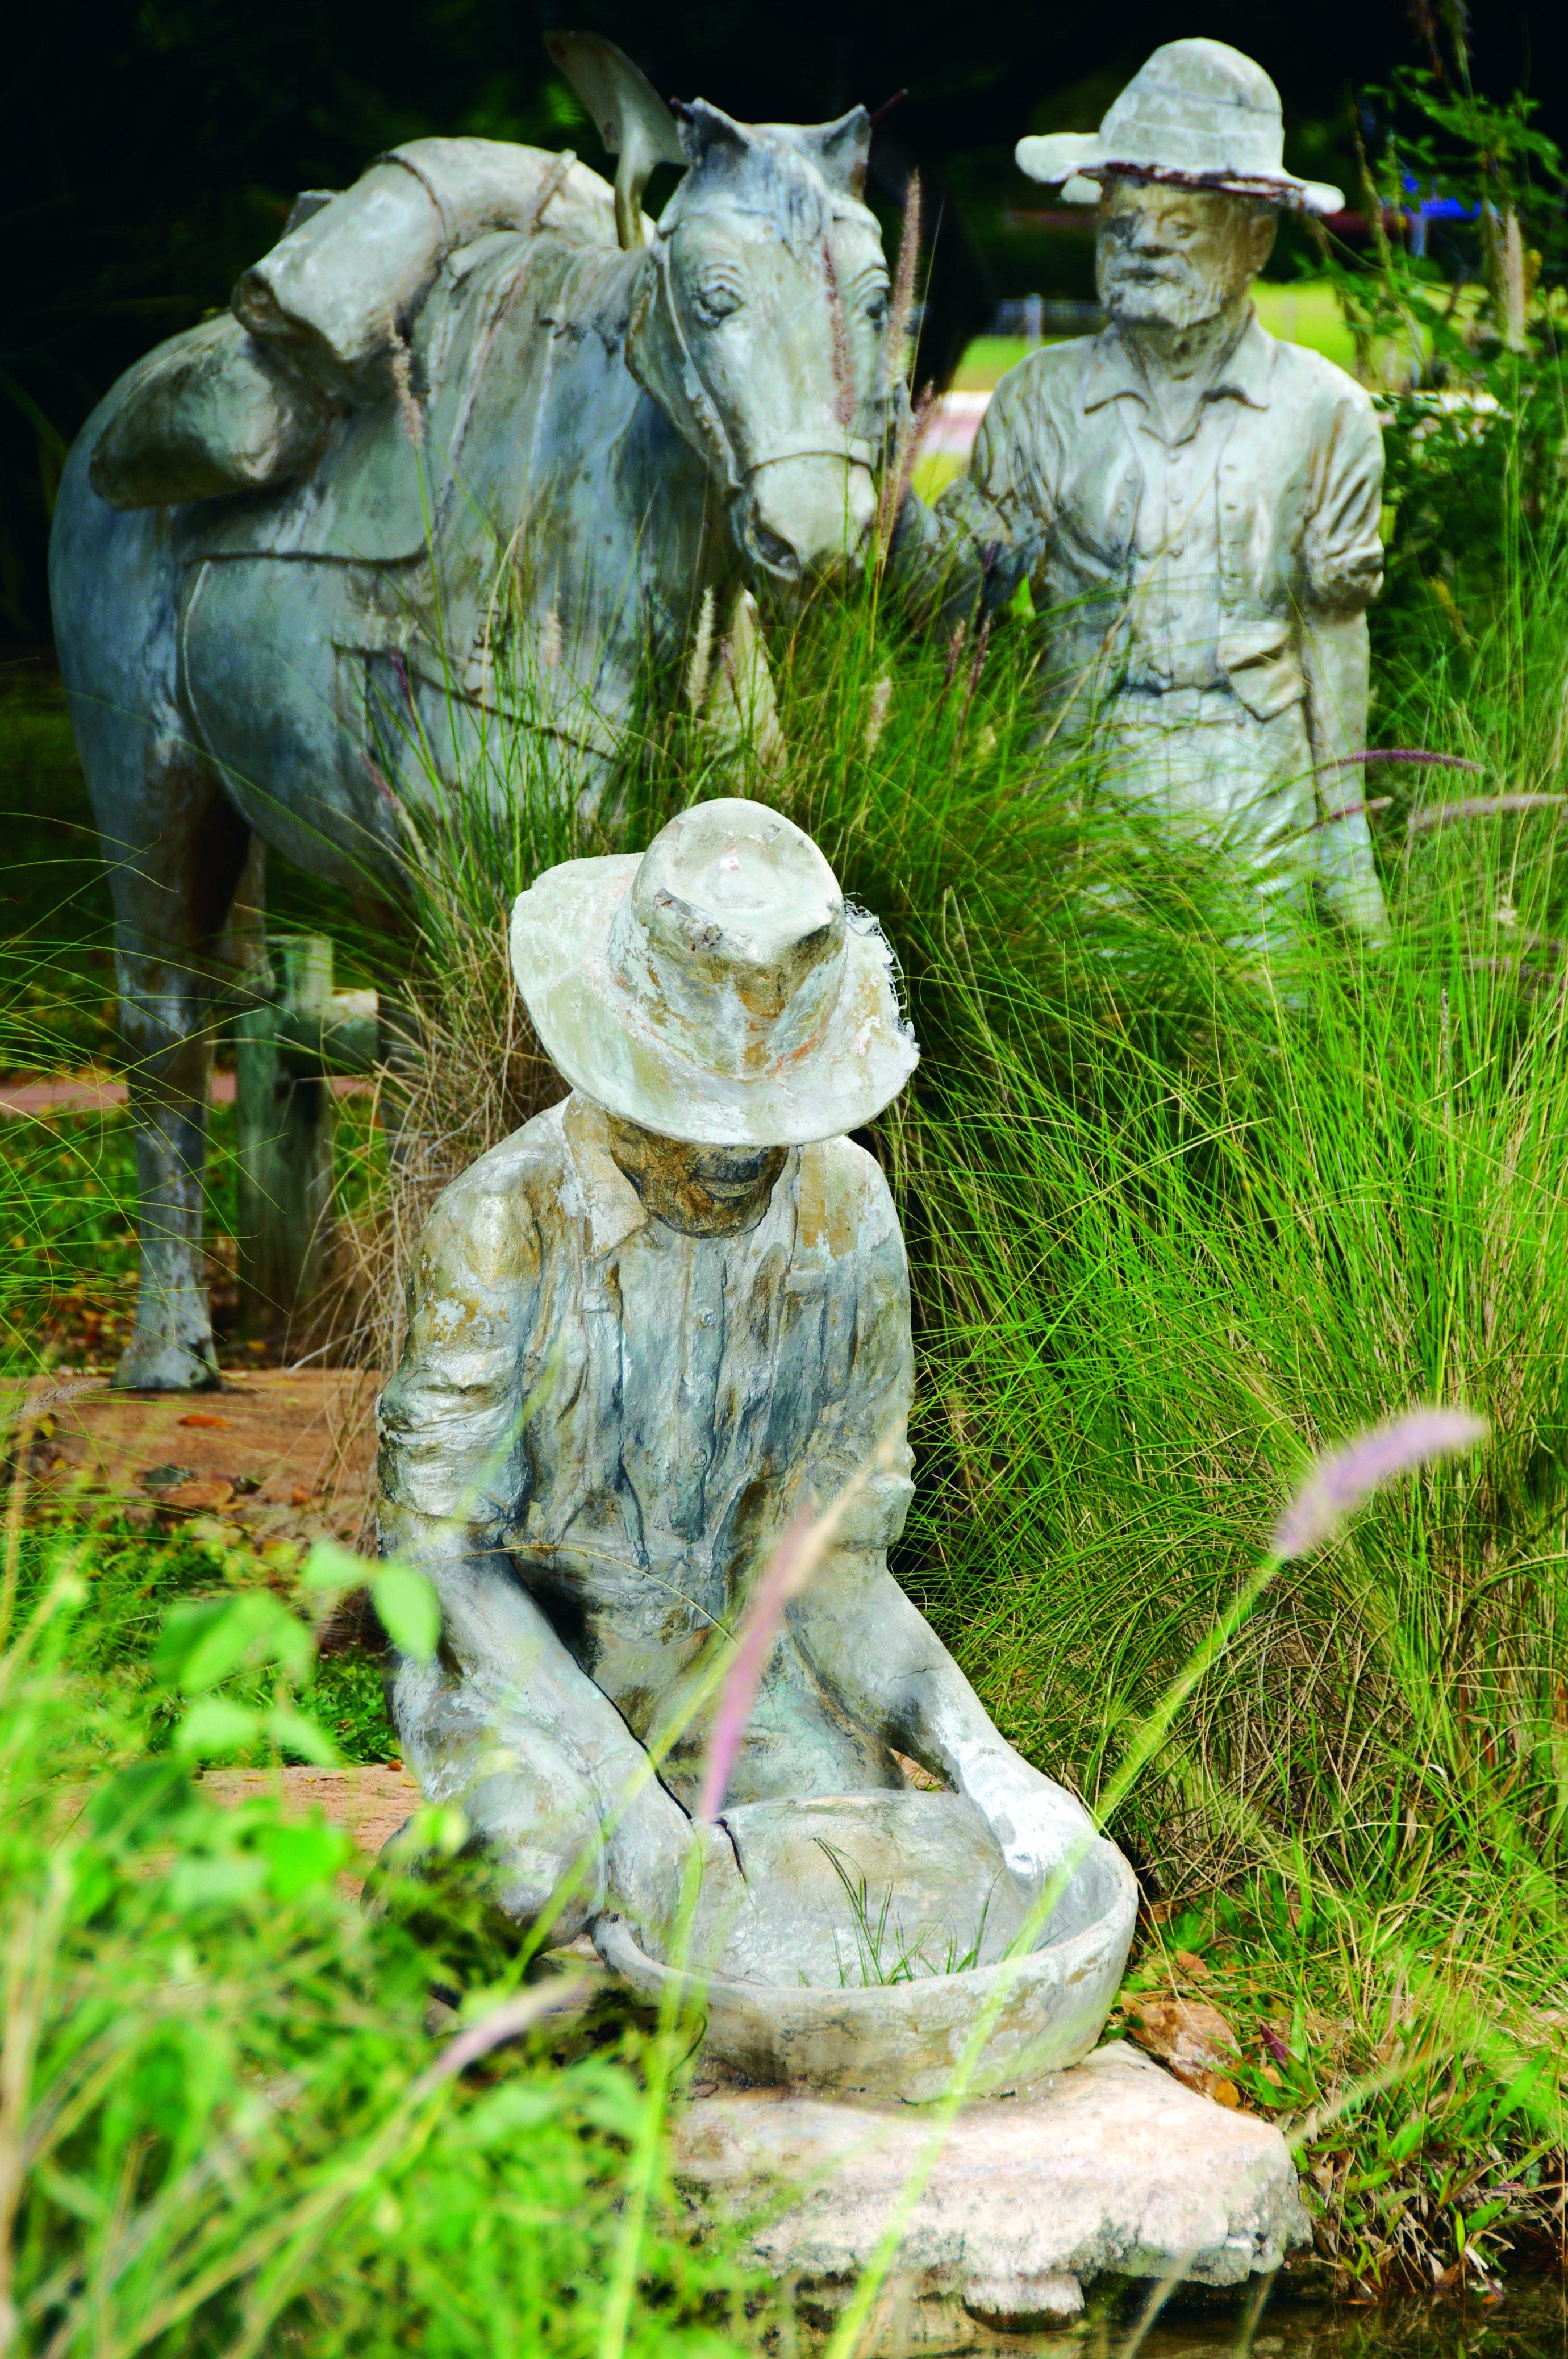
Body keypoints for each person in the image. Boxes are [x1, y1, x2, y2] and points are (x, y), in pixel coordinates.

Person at [376, 797, 1096, 1944]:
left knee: (866, 1896)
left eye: (766, 1119)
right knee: (535, 1886)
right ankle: (441, 1937)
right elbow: (442, 1561)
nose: (726, 1154)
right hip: (529, 1672)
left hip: (738, 1678)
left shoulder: (848, 1215)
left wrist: (987, 1763)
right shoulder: (502, 1225)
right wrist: (632, 1812)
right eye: (690, 1107)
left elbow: (832, 1570)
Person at [903, 39, 1389, 946]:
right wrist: (871, 491)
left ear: (1256, 237)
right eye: (1122, 220)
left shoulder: (1326, 415)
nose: (1143, 244)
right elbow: (956, 590)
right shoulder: (1042, 402)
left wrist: (1345, 842)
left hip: (1258, 810)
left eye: (1180, 223)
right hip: (1078, 804)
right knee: (1081, 1054)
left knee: (1264, 1052)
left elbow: (1334, 630)